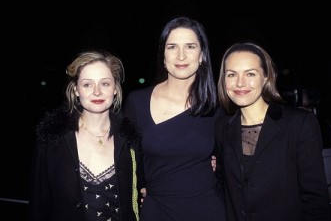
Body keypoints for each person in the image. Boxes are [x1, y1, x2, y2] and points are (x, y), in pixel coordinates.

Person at [124, 16, 226, 221]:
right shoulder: (137, 102)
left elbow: (232, 157)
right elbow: (127, 160)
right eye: (172, 47)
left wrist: (217, 164)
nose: (181, 55)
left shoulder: (216, 104)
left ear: (202, 55)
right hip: (156, 210)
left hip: (207, 210)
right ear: (163, 55)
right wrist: (138, 190)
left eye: (190, 46)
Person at [214, 42, 331, 221]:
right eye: (231, 74)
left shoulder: (299, 124)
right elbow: (221, 187)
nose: (239, 83)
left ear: (266, 77)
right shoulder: (222, 126)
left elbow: (315, 200)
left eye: (250, 74)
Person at [29, 50, 143, 221]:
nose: (97, 92)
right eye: (87, 84)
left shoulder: (130, 141)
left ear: (115, 89)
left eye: (105, 84)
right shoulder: (52, 140)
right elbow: (39, 204)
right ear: (75, 90)